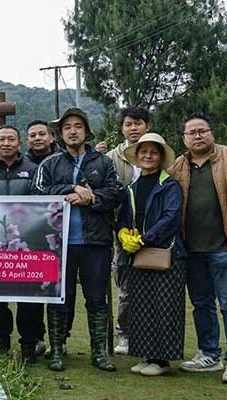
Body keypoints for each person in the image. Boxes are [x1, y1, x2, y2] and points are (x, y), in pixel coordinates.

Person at [167, 113, 227, 383]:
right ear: (184, 138)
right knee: (202, 304)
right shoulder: (178, 167)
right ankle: (209, 353)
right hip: (191, 249)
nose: (197, 136)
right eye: (191, 132)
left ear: (212, 133)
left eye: (202, 131)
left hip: (225, 247)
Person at [32, 107, 123, 372]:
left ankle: (99, 353)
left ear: (86, 131)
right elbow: (38, 193)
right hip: (58, 243)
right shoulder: (50, 164)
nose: (73, 131)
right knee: (61, 296)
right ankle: (58, 349)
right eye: (67, 127)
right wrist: (71, 189)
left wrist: (92, 198)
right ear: (60, 134)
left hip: (95, 241)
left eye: (78, 126)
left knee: (96, 297)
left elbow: (116, 193)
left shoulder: (104, 163)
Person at [116, 133, 186, 376]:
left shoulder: (169, 185)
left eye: (153, 152)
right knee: (142, 305)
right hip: (138, 254)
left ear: (161, 157)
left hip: (166, 252)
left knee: (165, 305)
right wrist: (124, 234)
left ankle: (162, 360)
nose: (147, 156)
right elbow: (124, 218)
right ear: (136, 157)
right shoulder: (132, 188)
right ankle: (147, 355)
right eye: (143, 152)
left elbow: (171, 217)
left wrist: (146, 238)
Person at [0, 125, 42, 363]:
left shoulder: (33, 170)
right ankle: (1, 341)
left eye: (11, 139)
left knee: (28, 297)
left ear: (19, 143)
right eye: (1, 139)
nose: (6, 143)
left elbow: (40, 201)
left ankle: (29, 345)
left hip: (27, 243)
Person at [102, 106, 153, 355]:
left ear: (148, 126)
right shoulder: (112, 157)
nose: (133, 128)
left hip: (155, 232)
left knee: (156, 285)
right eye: (128, 124)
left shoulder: (160, 154)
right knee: (125, 285)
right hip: (122, 231)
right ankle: (125, 334)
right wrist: (119, 228)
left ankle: (153, 336)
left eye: (138, 123)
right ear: (122, 128)